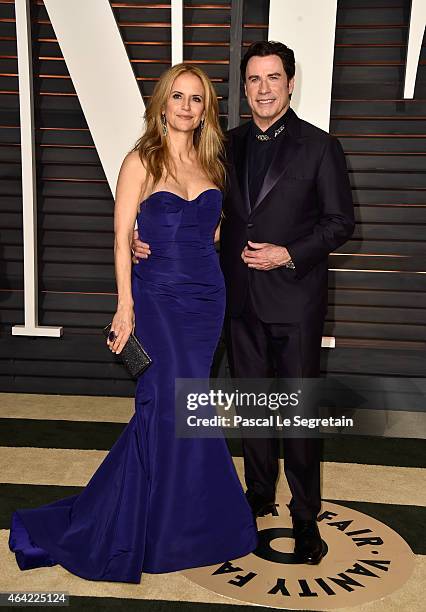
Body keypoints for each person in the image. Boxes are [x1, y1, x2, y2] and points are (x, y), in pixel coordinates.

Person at [8, 63, 258, 583]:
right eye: (178, 97)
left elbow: (211, 235)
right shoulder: (140, 160)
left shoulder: (214, 163)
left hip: (206, 299)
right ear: (162, 103)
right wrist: (126, 305)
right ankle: (138, 527)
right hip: (156, 298)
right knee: (164, 403)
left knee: (190, 404)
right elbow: (122, 238)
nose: (187, 107)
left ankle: (191, 523)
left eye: (197, 99)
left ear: (205, 108)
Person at [132, 42, 355, 565]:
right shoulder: (222, 146)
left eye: (273, 78)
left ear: (291, 82)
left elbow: (340, 223)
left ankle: (304, 517)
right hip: (234, 301)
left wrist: (287, 254)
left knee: (296, 415)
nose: (263, 88)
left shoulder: (321, 147)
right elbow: (197, 211)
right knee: (254, 409)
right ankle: (257, 496)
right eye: (254, 80)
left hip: (296, 301)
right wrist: (148, 240)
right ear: (244, 88)